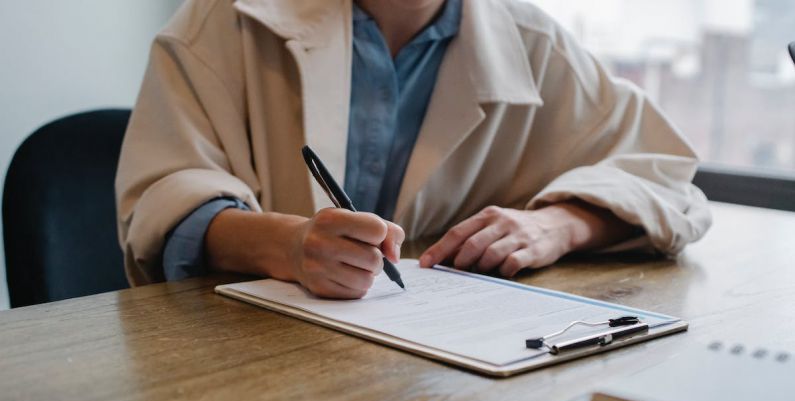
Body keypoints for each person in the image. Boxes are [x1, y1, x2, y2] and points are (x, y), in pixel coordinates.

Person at [116, 0, 712, 299]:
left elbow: (667, 180)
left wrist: (557, 225)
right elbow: (163, 202)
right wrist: (288, 246)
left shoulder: (533, 43)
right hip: (246, 360)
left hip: (446, 368)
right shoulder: (224, 20)